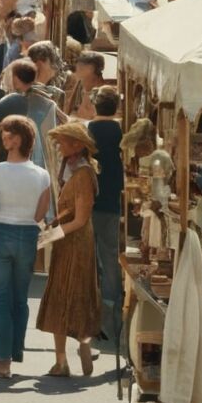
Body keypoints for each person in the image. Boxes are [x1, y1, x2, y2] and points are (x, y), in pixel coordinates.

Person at [0, 117, 51, 378]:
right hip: (28, 235)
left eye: (8, 135)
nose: (3, 139)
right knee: (20, 299)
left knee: (0, 300)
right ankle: (15, 350)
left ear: (17, 140)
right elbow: (40, 214)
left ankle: (3, 362)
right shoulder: (42, 175)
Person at [37, 121, 101, 377]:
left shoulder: (83, 174)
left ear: (77, 145)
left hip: (76, 243)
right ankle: (69, 354)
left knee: (69, 294)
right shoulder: (73, 170)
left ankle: (69, 354)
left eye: (63, 142)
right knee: (66, 295)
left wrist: (52, 234)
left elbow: (81, 219)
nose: (59, 146)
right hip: (68, 241)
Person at [87, 85, 124, 318]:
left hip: (90, 198)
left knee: (89, 254)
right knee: (110, 254)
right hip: (113, 198)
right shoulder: (121, 131)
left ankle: (91, 301)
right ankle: (111, 304)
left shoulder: (88, 130)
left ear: (95, 105)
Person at [72, 52, 106, 120]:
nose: (76, 73)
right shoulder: (82, 88)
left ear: (93, 69)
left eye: (81, 68)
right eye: (77, 69)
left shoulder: (103, 94)